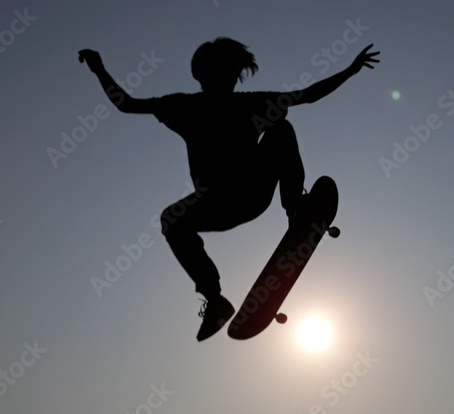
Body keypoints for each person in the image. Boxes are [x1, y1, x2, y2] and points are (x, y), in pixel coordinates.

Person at [79, 38, 379, 340]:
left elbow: (126, 104)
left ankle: (292, 212)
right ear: (213, 74)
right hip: (231, 199)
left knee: (279, 128)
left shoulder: (188, 106)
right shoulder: (207, 105)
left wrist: (98, 69)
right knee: (174, 218)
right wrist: (350, 70)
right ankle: (216, 299)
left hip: (237, 195)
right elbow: (308, 95)